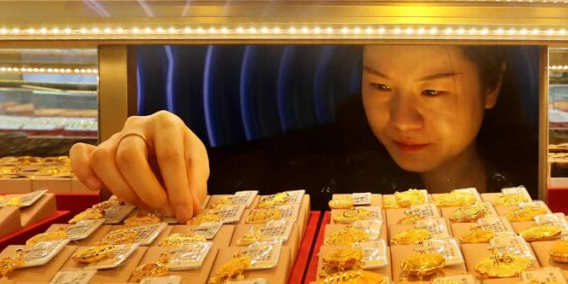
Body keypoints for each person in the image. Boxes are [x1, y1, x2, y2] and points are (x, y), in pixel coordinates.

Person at [69, 45, 515, 223]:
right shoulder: (323, 169)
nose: (401, 120)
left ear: (491, 88)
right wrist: (158, 151)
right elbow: (233, 172)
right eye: (380, 86)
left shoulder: (527, 183)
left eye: (432, 91)